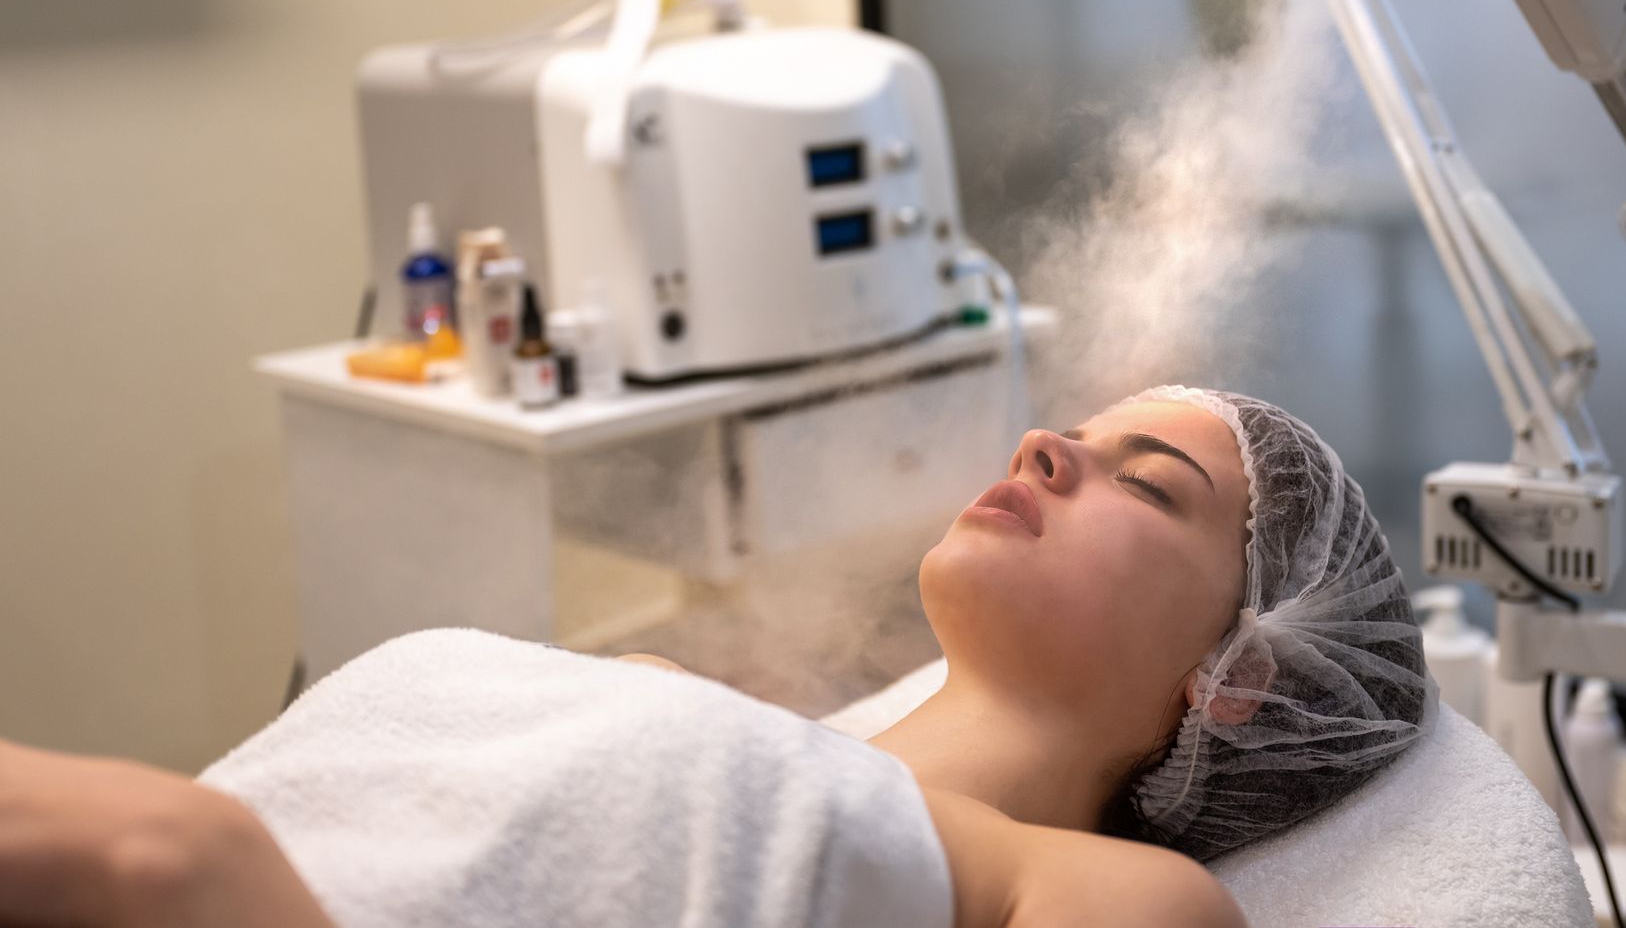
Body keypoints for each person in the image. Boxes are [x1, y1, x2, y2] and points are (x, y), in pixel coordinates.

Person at [0, 387, 1426, 927]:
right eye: (1075, 428)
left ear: (1239, 677)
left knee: (148, 848)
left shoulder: (1114, 890)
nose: (1044, 441)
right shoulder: (688, 708)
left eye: (1150, 479)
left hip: (170, 880)